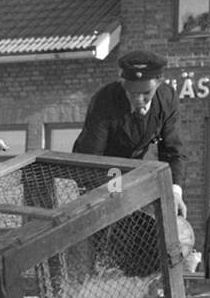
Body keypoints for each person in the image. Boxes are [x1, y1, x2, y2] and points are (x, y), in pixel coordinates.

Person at [73, 49, 188, 216]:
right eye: (132, 92)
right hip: (98, 167)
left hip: (131, 168)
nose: (138, 99)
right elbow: (91, 157)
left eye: (146, 93)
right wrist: (114, 196)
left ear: (158, 83)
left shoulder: (167, 99)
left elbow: (173, 153)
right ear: (123, 83)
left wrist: (175, 192)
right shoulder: (105, 100)